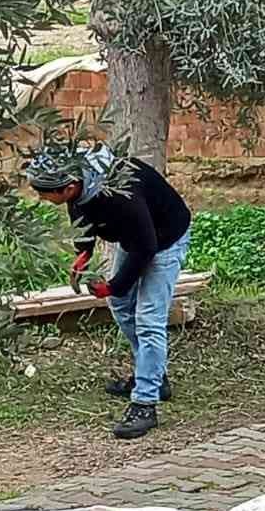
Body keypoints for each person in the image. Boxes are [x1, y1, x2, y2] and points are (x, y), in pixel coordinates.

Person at [24, 142, 192, 440]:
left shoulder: (120, 195)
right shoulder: (80, 185)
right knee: (120, 306)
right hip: (137, 237)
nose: (40, 196)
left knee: (149, 319)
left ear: (70, 186)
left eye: (44, 192)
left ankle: (145, 404)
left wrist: (113, 286)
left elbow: (146, 247)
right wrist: (83, 255)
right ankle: (153, 376)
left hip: (163, 240)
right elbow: (80, 216)